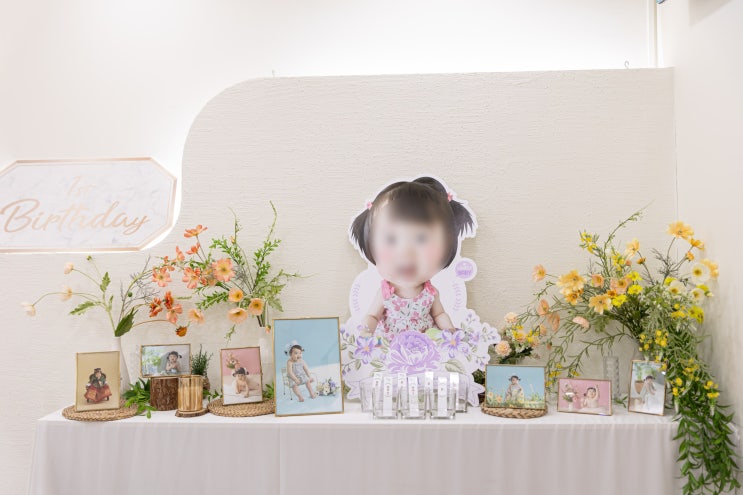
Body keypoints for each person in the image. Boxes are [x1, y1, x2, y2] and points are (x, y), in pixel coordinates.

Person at [350, 177, 475, 338]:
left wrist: (450, 330)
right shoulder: (386, 293)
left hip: (425, 344)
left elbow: (439, 314)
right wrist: (366, 332)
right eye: (391, 239)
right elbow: (373, 316)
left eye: (421, 239)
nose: (406, 252)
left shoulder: (430, 293)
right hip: (392, 345)